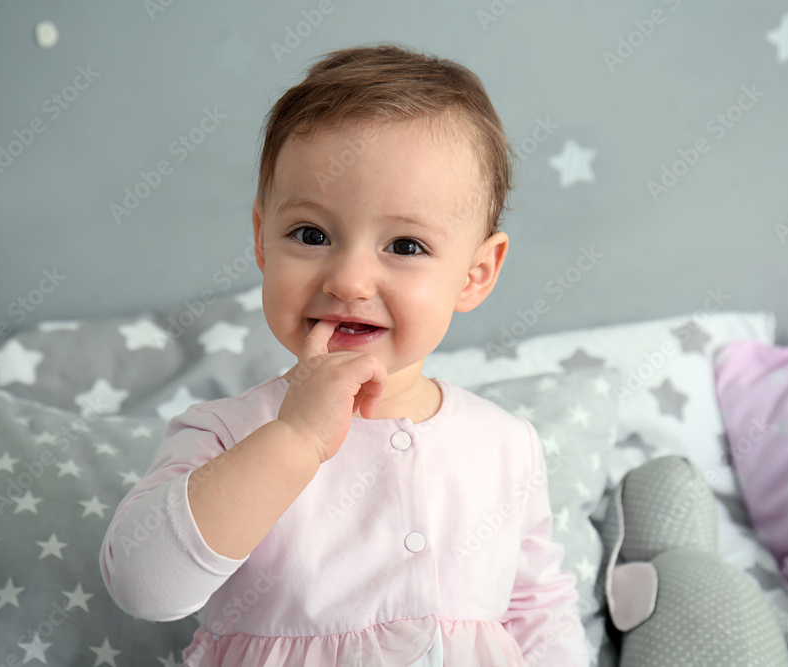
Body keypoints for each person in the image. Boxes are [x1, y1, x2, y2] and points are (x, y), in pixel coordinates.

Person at [99, 43, 589, 666]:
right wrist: (295, 438)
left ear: (475, 273)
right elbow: (143, 586)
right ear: (261, 241)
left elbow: (538, 608)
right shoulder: (226, 434)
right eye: (311, 235)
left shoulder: (504, 444)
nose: (349, 280)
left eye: (405, 246)